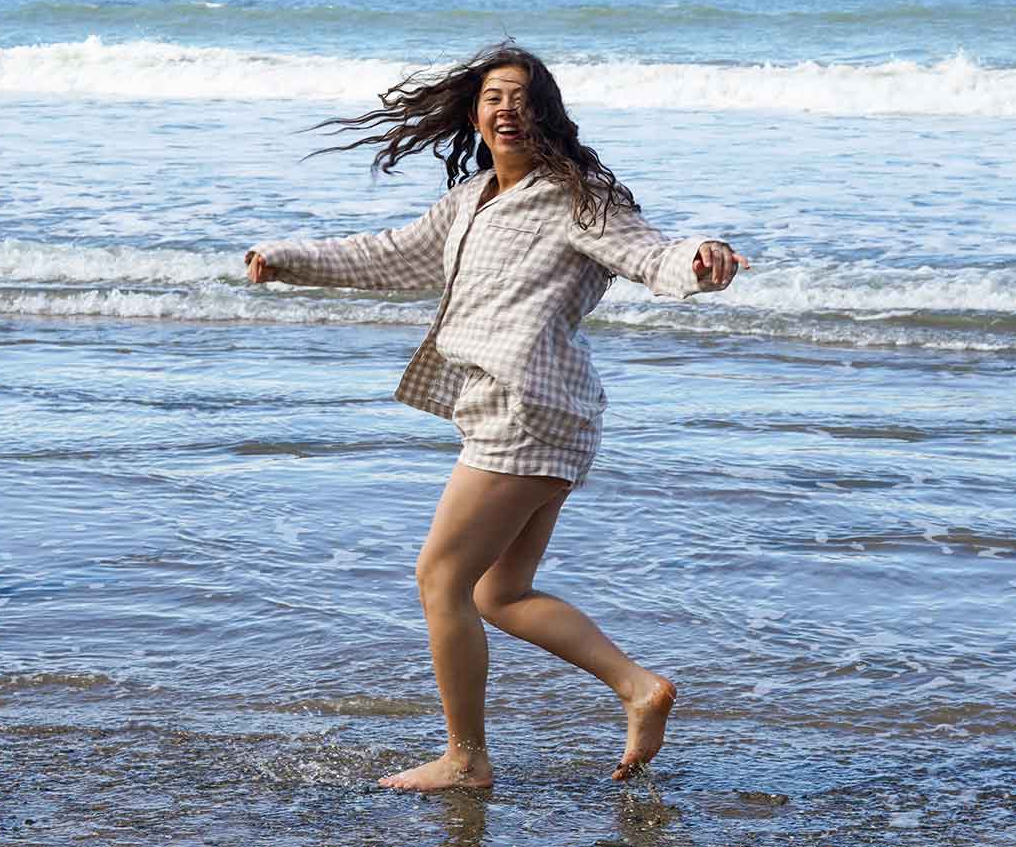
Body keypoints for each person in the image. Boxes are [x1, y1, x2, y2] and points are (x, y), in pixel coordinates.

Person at [244, 44, 747, 792]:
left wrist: (701, 260)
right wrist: (288, 259)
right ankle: (639, 687)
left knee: (440, 579)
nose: (506, 108)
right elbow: (387, 257)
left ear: (546, 113)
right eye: (493, 97)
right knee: (497, 594)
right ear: (475, 115)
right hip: (542, 412)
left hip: (527, 408)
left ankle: (466, 759)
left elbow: (653, 256)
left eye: (522, 96)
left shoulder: (578, 198)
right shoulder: (471, 200)